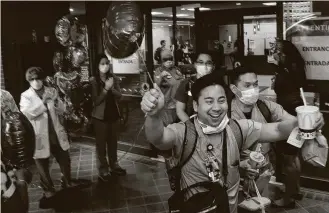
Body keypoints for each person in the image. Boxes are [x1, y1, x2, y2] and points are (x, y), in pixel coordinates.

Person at [141, 73, 324, 213]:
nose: (217, 107)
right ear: (196, 106)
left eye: (221, 100)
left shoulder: (237, 129)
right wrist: (154, 115)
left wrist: (304, 120)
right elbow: (159, 138)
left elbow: (276, 130)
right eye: (209, 101)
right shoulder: (184, 131)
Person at [229, 67, 296, 200]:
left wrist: (307, 121)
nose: (253, 89)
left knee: (262, 205)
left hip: (264, 171)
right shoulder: (225, 113)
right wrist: (239, 165)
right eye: (247, 85)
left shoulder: (266, 107)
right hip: (234, 174)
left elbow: (292, 122)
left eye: (255, 84)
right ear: (234, 89)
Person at [19, 67, 76, 204]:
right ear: (28, 81)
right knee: (42, 165)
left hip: (55, 133)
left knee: (64, 159)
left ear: (42, 78)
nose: (36, 81)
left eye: (38, 78)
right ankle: (48, 190)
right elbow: (28, 113)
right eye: (32, 79)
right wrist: (44, 102)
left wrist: (56, 101)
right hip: (39, 136)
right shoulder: (26, 95)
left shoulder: (51, 90)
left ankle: (67, 182)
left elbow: (62, 110)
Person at [271, 40, 307, 207]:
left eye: (277, 50)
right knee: (294, 155)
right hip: (295, 114)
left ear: (284, 53)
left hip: (289, 116)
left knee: (289, 158)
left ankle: (288, 198)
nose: (274, 52)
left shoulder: (286, 70)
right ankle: (296, 190)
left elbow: (283, 91)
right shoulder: (294, 68)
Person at [90, 54, 126, 181]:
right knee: (101, 145)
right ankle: (103, 169)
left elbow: (120, 95)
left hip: (113, 115)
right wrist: (105, 89)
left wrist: (111, 88)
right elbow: (96, 101)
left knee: (113, 143)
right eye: (102, 63)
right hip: (100, 117)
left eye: (107, 63)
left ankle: (114, 165)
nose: (105, 65)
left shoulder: (113, 78)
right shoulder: (93, 80)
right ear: (97, 65)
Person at [1, 89, 33, 213]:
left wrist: (7, 113)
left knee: (20, 183)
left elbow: (18, 120)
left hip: (11, 150)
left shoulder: (4, 95)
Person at [175, 52, 215, 122]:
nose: (204, 66)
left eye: (208, 63)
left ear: (213, 66)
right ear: (195, 65)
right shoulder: (186, 84)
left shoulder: (217, 85)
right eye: (201, 63)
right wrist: (192, 126)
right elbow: (180, 110)